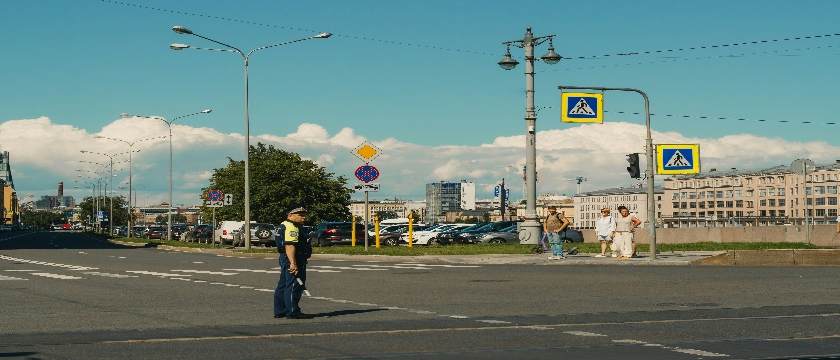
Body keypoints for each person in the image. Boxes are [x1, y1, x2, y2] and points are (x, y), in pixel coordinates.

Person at [274, 204, 315, 319]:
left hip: (286, 258)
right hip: (293, 257)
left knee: (283, 284)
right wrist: (293, 263)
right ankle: (292, 311)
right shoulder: (291, 227)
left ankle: (280, 310)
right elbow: (290, 246)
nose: (303, 217)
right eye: (300, 215)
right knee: (294, 285)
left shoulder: (283, 225)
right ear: (290, 215)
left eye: (304, 215)